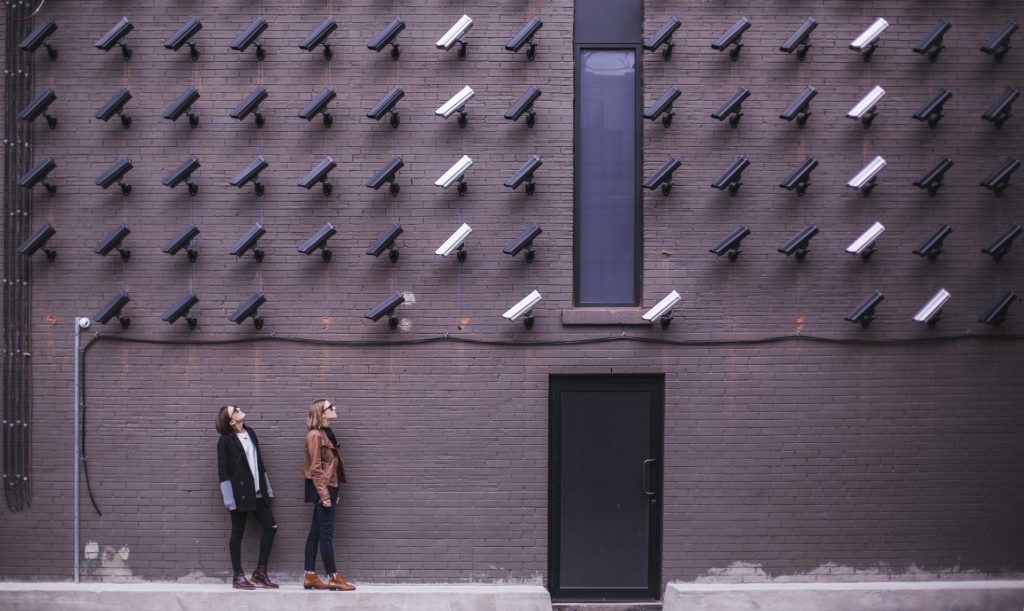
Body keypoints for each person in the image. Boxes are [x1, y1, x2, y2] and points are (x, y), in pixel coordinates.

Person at [215, 405, 279, 590]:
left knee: (271, 526)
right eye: (235, 410)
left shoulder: (250, 432)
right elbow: (223, 472)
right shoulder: (225, 441)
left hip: (258, 492)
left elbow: (259, 462)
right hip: (239, 495)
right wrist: (229, 500)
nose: (239, 409)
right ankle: (238, 576)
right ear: (231, 420)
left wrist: (267, 488)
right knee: (237, 533)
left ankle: (260, 572)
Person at [302, 398, 356, 591]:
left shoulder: (326, 433)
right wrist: (325, 494)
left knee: (316, 533)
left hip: (327, 487)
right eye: (330, 407)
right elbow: (315, 468)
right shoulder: (315, 436)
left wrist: (335, 490)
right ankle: (333, 576)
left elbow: (331, 466)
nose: (334, 408)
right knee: (326, 535)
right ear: (321, 413)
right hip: (321, 488)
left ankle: (309, 575)